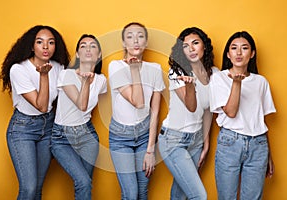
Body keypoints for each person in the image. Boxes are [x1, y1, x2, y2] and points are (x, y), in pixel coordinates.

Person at [0, 25, 70, 200]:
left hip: (47, 128)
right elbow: (42, 106)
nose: (46, 47)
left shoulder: (58, 67)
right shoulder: (18, 69)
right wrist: (43, 76)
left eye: (50, 42)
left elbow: (65, 100)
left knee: (38, 188)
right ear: (32, 46)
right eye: (40, 42)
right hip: (23, 129)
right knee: (29, 188)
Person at [209, 31, 276, 200]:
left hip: (258, 144)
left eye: (244, 48)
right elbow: (231, 112)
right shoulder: (219, 78)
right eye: (234, 48)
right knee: (226, 197)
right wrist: (236, 84)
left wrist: (268, 154)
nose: (239, 53)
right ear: (228, 54)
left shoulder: (261, 82)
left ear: (252, 54)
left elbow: (260, 119)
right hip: (230, 143)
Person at [158, 27, 218, 200]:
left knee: (180, 194)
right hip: (173, 140)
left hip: (196, 140)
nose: (191, 49)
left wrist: (205, 143)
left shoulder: (214, 73)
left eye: (195, 43)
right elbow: (191, 107)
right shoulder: (177, 72)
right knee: (199, 195)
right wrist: (191, 86)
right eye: (185, 46)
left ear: (204, 47)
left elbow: (208, 111)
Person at [108, 22, 165, 200]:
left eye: (140, 36)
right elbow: (138, 102)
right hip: (120, 137)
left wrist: (150, 150)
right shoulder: (115, 66)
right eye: (130, 36)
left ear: (146, 42)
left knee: (142, 191)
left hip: (144, 135)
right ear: (124, 43)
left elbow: (155, 112)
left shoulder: (155, 69)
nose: (135, 41)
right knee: (131, 194)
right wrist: (134, 70)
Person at [50, 34, 107, 200]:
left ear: (99, 55)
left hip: (87, 135)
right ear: (77, 54)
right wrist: (85, 82)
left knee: (85, 184)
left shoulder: (102, 80)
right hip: (62, 137)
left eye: (93, 46)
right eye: (83, 46)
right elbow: (82, 105)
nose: (88, 49)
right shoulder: (66, 75)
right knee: (83, 181)